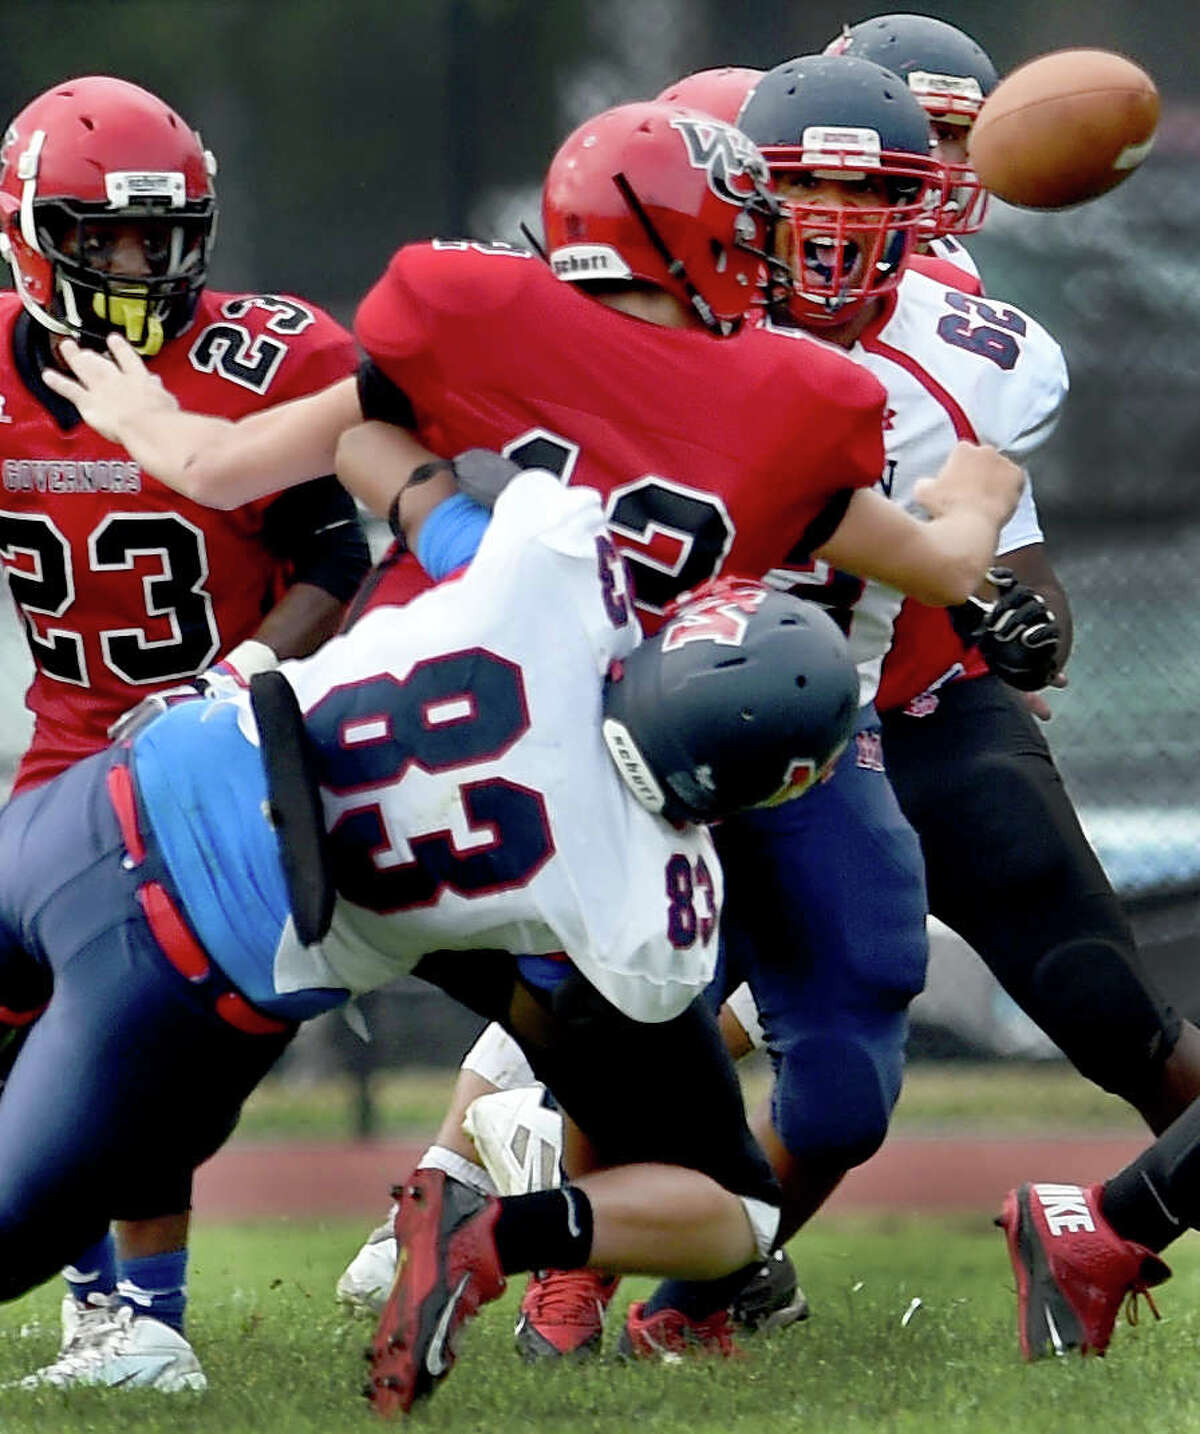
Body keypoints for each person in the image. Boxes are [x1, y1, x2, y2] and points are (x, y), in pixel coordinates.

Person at [45, 95, 1022, 1383]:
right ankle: (517, 1219)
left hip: (568, 760)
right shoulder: (766, 387)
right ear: (701, 239)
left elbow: (242, 462)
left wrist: (152, 426)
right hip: (596, 807)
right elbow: (948, 557)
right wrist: (981, 485)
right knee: (668, 1112)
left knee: (159, 996)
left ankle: (467, 1210)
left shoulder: (502, 331)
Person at [0, 452, 863, 1414]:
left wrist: (411, 477)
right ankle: (499, 1233)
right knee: (737, 1215)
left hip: (102, 800)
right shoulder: (650, 894)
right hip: (183, 970)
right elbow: (566, 1005)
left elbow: (406, 483)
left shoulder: (556, 573)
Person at [0, 75, 370, 1389]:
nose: (138, 264)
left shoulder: (260, 355)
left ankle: (148, 1317)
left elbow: (337, 548)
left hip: (232, 739)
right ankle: (102, 1309)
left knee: (136, 1008)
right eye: (102, 236)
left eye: (161, 236)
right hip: (68, 746)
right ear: (33, 230)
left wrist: (244, 671)